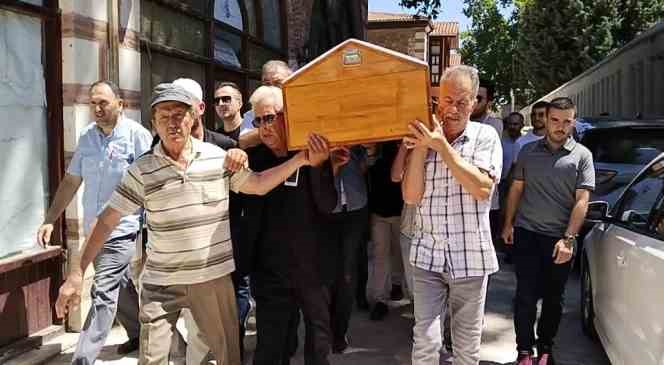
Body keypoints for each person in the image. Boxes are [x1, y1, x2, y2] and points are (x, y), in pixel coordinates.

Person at [54, 82, 324, 365]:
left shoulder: (218, 159)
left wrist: (302, 159)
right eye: (163, 117)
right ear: (153, 124)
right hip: (161, 283)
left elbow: (257, 185)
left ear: (193, 118)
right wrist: (76, 273)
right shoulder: (142, 170)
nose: (172, 123)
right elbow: (108, 219)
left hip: (212, 279)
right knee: (152, 358)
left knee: (227, 357)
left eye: (179, 115)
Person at [36, 80, 150, 364]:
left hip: (123, 228)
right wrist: (51, 218)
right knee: (119, 284)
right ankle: (142, 333)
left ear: (120, 105)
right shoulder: (87, 136)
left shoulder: (137, 136)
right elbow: (71, 181)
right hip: (93, 230)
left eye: (104, 103)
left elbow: (152, 183)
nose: (97, 109)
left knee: (103, 291)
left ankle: (82, 358)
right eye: (93, 103)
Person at [402, 65, 502, 365]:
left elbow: (483, 189)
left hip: (470, 259)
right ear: (437, 100)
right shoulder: (424, 136)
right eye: (447, 100)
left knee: (466, 348)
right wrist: (422, 147)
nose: (453, 108)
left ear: (474, 102)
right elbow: (410, 196)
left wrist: (441, 147)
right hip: (428, 257)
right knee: (425, 343)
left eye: (462, 101)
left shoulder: (485, 136)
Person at [241, 85, 338, 365]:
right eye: (258, 121)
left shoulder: (313, 153)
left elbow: (328, 204)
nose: (264, 128)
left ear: (288, 116)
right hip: (270, 272)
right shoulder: (256, 159)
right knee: (270, 347)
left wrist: (320, 167)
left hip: (313, 268)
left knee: (318, 344)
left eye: (269, 118)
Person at [502, 97, 595, 364]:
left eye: (567, 121)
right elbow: (516, 189)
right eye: (555, 120)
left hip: (559, 239)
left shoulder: (582, 156)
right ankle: (523, 351)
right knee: (525, 295)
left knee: (554, 299)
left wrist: (568, 239)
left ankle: (545, 349)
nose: (560, 126)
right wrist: (508, 224)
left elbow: (582, 201)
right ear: (546, 119)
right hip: (527, 234)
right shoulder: (528, 152)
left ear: (573, 122)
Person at [325, 143, 369, 353]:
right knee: (325, 273)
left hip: (355, 207)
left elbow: (367, 157)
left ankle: (338, 331)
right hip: (323, 208)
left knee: (346, 274)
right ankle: (323, 328)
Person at [366, 141, 404, 321]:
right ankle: (380, 300)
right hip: (378, 210)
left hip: (401, 210)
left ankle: (396, 284)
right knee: (381, 255)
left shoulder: (402, 143)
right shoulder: (373, 146)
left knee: (399, 252)